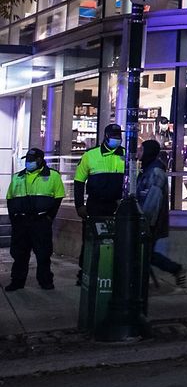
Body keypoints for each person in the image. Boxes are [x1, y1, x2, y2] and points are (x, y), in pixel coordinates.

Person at [5, 147, 65, 290]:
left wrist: (49, 217)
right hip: (21, 221)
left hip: (41, 221)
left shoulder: (53, 176)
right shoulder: (18, 176)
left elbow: (58, 198)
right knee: (19, 254)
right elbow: (10, 198)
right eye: (27, 160)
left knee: (43, 254)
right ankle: (17, 281)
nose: (28, 162)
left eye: (31, 160)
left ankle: (45, 281)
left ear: (40, 160)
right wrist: (14, 219)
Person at [73, 122, 126, 285]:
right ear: (106, 137)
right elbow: (79, 181)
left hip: (117, 205)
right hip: (95, 205)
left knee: (116, 241)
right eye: (114, 137)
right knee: (90, 239)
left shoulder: (126, 155)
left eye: (119, 137)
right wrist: (79, 205)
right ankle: (85, 272)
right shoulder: (91, 155)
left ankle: (111, 273)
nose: (117, 140)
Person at [136, 140, 187, 290]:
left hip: (150, 223)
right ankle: (175, 270)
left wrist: (144, 222)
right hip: (148, 222)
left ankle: (176, 269)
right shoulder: (147, 170)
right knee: (145, 254)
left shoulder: (155, 172)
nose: (139, 152)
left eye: (142, 149)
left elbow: (152, 201)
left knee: (146, 254)